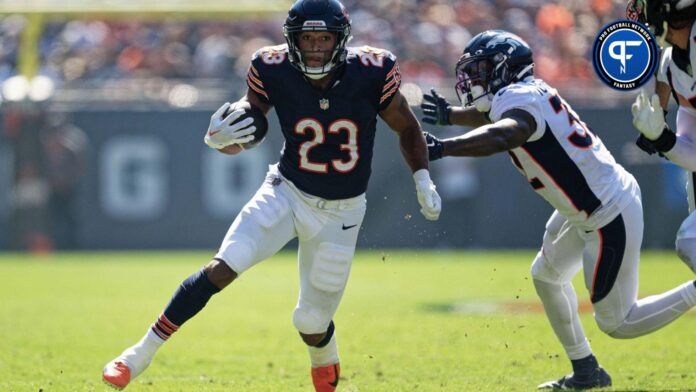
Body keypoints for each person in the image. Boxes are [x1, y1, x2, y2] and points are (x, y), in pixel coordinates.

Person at [102, 1, 442, 391]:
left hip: (342, 213)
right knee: (223, 267)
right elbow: (253, 117)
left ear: (341, 39)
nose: (315, 47)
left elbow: (407, 126)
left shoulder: (372, 71)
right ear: (292, 40)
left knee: (310, 323)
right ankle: (137, 355)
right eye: (307, 39)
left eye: (324, 38)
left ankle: (325, 362)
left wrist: (422, 179)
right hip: (287, 191)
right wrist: (226, 136)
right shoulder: (272, 66)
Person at [420, 30, 696, 390]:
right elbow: (498, 117)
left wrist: (444, 147)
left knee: (618, 323)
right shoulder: (523, 94)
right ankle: (586, 371)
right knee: (546, 275)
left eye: (483, 68)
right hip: (589, 207)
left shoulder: (518, 101)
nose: (475, 78)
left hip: (605, 212)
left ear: (506, 68)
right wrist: (453, 115)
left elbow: (505, 133)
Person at [628, 0, 696, 274]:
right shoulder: (674, 59)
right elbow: (690, 153)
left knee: (691, 240)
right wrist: (661, 135)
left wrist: (662, 138)